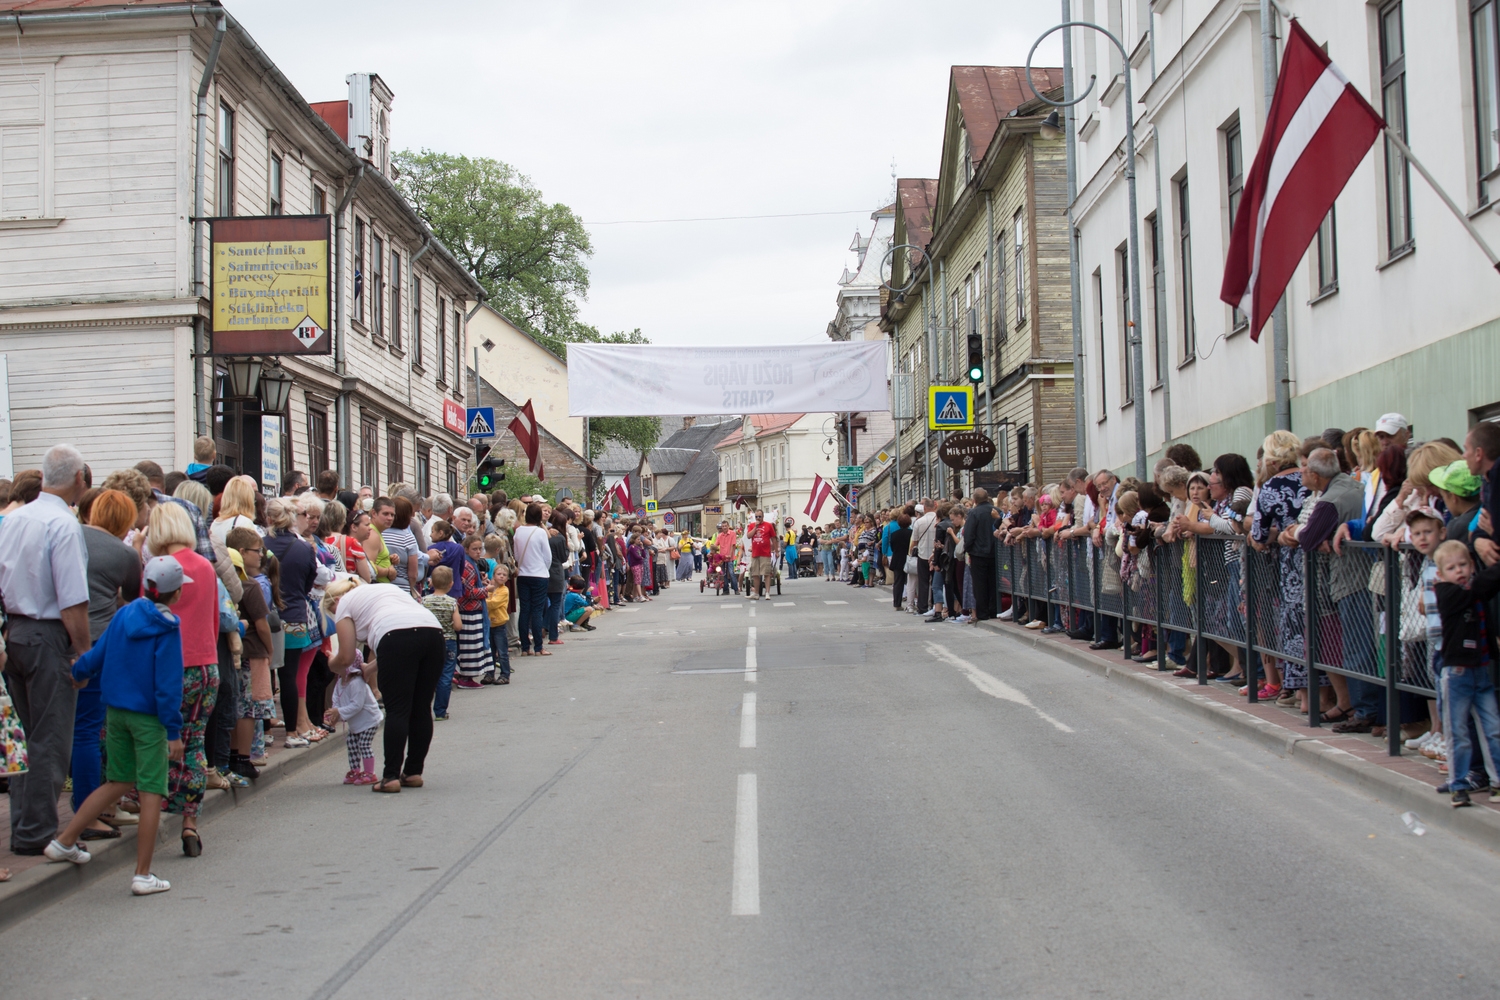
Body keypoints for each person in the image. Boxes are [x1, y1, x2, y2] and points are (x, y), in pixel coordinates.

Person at [44, 556, 190, 895]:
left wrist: (79, 674)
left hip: (116, 711)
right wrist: (172, 730)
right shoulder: (168, 627)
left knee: (118, 780)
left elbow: (99, 653)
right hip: (149, 718)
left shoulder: (125, 614)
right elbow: (168, 685)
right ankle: (142, 873)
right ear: (177, 593)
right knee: (152, 788)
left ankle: (65, 840)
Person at [0, 444, 91, 856]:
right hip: (47, 633)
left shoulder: (14, 520)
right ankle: (36, 832)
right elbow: (72, 599)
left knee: (25, 737)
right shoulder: (63, 524)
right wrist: (83, 652)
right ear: (77, 479)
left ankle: (25, 826)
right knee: (50, 738)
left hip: (16, 632)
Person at [323, 577, 445, 794]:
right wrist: (369, 668)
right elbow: (407, 629)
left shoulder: (344, 604)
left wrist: (331, 663)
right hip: (432, 632)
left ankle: (390, 776)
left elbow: (346, 656)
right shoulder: (383, 591)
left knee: (397, 709)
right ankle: (413, 771)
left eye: (332, 611)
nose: (336, 615)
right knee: (421, 707)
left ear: (336, 599)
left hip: (394, 636)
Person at [72, 489, 142, 841]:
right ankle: (88, 811)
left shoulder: (70, 536)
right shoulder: (124, 553)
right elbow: (132, 598)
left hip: (55, 637)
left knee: (50, 732)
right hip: (98, 641)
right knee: (87, 730)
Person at [1430, 540, 1500, 807]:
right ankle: (1459, 784)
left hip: (1480, 672)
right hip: (1456, 674)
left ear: (1472, 565)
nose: (1458, 571)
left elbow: (1486, 586)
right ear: (1440, 574)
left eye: (1463, 565)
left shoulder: (1474, 589)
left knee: (1492, 728)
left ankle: (1497, 782)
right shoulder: (1448, 593)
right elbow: (1483, 586)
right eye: (1451, 567)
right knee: (1457, 731)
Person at [263, 499, 319, 748]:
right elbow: (309, 583)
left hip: (264, 617)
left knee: (263, 675)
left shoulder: (260, 546)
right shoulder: (304, 548)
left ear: (269, 519)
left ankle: (264, 730)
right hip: (295, 616)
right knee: (290, 675)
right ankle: (292, 733)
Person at [324, 648, 381, 786]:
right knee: (351, 743)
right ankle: (355, 770)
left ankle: (369, 773)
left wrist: (339, 711)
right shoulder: (340, 683)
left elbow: (357, 705)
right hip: (356, 722)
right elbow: (336, 700)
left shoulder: (357, 683)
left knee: (363, 744)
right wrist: (333, 717)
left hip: (369, 720)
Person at [452, 533, 494, 688]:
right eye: (474, 549)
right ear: (466, 550)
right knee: (470, 647)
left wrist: (481, 584)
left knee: (473, 645)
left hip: (472, 611)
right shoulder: (468, 567)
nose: (478, 552)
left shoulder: (472, 565)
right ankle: (465, 677)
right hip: (469, 612)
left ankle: (466, 676)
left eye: (479, 549)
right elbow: (468, 592)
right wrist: (486, 590)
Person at [512, 503, 553, 656]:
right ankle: (538, 647)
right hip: (539, 574)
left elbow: (516, 555)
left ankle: (524, 647)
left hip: (523, 574)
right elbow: (547, 556)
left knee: (525, 610)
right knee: (537, 611)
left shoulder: (518, 531)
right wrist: (543, 568)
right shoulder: (540, 532)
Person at [423, 566, 463, 720]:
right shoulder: (452, 602)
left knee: (428, 674)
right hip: (448, 641)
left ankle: (424, 708)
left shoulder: (424, 601)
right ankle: (440, 710)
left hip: (429, 640)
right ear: (451, 584)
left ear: (431, 582)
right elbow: (458, 626)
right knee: (446, 674)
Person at [964, 488, 997, 621]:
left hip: (978, 553)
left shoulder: (974, 513)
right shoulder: (996, 511)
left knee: (980, 584)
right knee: (993, 582)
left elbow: (969, 533)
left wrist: (968, 548)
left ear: (975, 500)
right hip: (994, 552)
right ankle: (994, 610)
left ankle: (983, 613)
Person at [547, 511, 571, 644]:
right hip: (556, 572)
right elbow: (563, 557)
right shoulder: (560, 538)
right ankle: (553, 635)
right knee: (556, 603)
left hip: (544, 571)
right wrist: (567, 549)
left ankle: (544, 627)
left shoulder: (546, 534)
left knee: (543, 604)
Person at [487, 564, 513, 683]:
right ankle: (489, 674)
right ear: (493, 576)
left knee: (502, 651)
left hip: (499, 624)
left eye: (504, 575)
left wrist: (483, 599)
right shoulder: (490, 588)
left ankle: (505, 674)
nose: (501, 577)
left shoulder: (504, 590)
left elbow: (493, 603)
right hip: (489, 624)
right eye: (499, 574)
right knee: (490, 652)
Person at [746, 510, 777, 601]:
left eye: (759, 516)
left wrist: (776, 550)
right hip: (755, 553)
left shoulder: (768, 525)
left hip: (765, 553)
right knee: (755, 573)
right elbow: (748, 536)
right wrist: (755, 527)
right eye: (756, 517)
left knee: (766, 573)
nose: (758, 518)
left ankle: (767, 592)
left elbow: (773, 538)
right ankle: (756, 593)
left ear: (763, 516)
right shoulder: (752, 525)